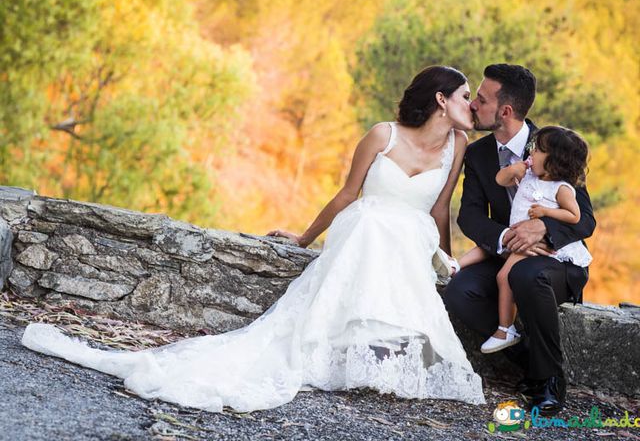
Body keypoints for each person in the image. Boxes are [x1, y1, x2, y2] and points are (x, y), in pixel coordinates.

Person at [21, 66, 485, 413]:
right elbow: (347, 194)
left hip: (409, 243)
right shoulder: (383, 134)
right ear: (442, 100)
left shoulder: (457, 147)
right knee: (370, 223)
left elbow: (440, 208)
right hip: (364, 233)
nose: (474, 106)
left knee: (397, 238)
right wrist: (303, 239)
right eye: (468, 97)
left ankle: (382, 361)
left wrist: (443, 256)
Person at [444, 64, 596, 416]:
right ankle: (528, 361)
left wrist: (543, 230)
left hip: (554, 259)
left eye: (481, 100)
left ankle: (550, 380)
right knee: (460, 292)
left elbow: (585, 219)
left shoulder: (554, 145)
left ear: (506, 111)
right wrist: (507, 238)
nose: (472, 106)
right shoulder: (479, 155)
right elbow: (468, 215)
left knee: (526, 276)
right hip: (506, 254)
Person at [456, 126, 592, 354]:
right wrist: (515, 169)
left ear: (555, 161)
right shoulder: (524, 169)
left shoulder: (562, 180)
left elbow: (580, 218)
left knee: (511, 277)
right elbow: (495, 185)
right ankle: (454, 266)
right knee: (466, 283)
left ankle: (506, 330)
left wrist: (545, 221)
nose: (531, 152)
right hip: (512, 240)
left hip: (549, 254)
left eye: (536, 150)